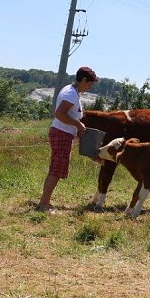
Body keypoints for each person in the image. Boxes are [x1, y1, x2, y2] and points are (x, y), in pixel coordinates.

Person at [37, 66, 99, 212]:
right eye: (89, 84)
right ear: (83, 80)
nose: (89, 87)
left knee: (56, 169)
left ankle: (45, 201)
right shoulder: (71, 94)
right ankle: (43, 204)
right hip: (61, 133)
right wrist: (78, 124)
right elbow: (59, 114)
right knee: (56, 170)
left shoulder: (70, 91)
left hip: (62, 132)